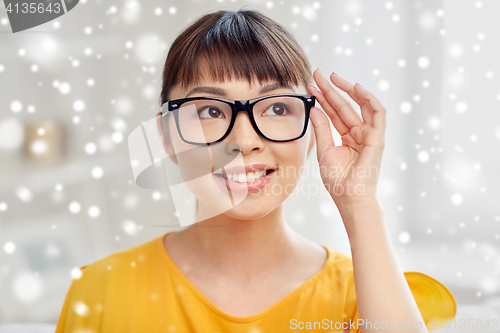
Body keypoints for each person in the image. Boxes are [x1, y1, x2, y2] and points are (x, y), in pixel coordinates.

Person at [55, 9, 456, 333]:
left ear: (312, 130)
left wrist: (360, 204)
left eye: (277, 108)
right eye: (211, 111)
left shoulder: (368, 294)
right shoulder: (102, 291)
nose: (245, 140)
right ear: (166, 136)